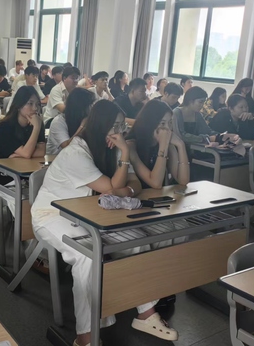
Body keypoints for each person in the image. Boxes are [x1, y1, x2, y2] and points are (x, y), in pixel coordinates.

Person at [32, 100, 176, 346]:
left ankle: (146, 314)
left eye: (122, 126)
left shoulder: (113, 146)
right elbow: (111, 187)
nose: (120, 131)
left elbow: (133, 183)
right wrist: (123, 165)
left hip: (90, 214)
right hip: (52, 215)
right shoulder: (76, 152)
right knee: (87, 256)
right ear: (100, 126)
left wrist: (121, 188)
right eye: (115, 126)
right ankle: (86, 337)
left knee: (137, 241)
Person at [0, 86, 46, 188]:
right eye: (30, 103)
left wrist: (21, 155)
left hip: (27, 175)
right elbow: (26, 154)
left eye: (37, 104)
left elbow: (41, 152)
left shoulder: (37, 122)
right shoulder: (5, 127)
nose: (35, 108)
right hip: (4, 177)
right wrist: (36, 128)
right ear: (19, 106)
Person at [127, 99, 190, 189]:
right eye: (162, 123)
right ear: (149, 123)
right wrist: (163, 146)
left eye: (170, 123)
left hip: (158, 196)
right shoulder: (131, 146)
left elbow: (183, 181)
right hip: (139, 196)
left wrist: (181, 145)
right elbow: (156, 183)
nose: (167, 129)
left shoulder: (167, 144)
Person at [46, 87, 95, 155]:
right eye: (90, 105)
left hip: (78, 157)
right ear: (80, 107)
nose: (92, 108)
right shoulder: (58, 121)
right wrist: (82, 127)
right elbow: (66, 146)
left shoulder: (86, 119)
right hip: (56, 158)